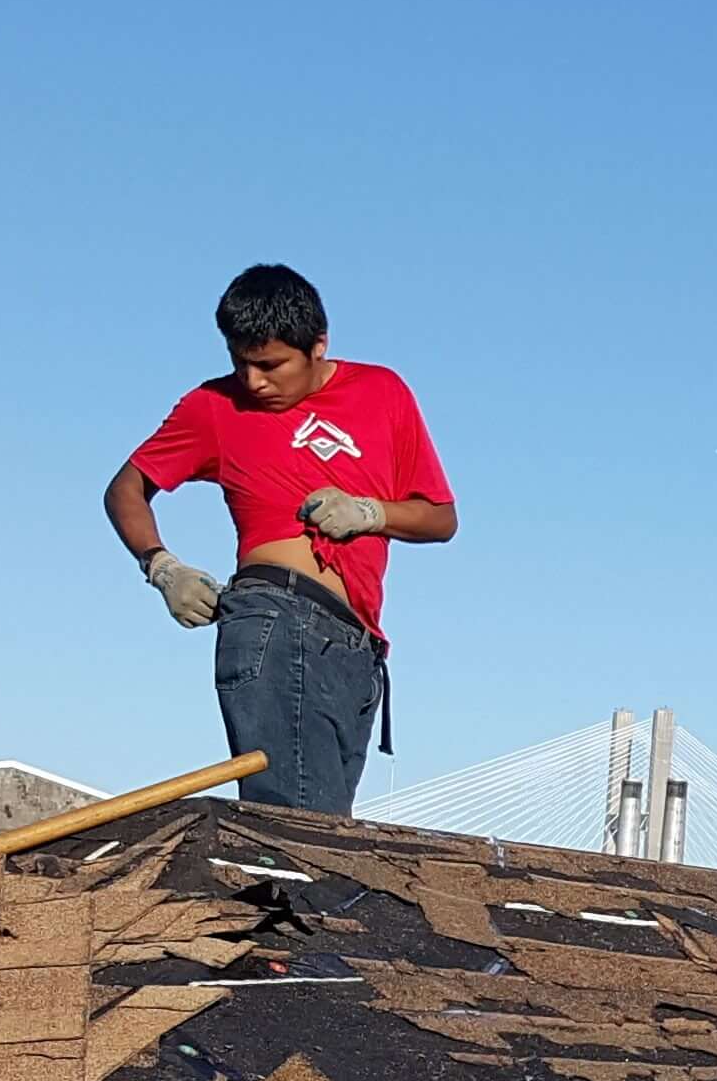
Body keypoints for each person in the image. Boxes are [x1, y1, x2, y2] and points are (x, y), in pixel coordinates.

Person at [100, 264, 458, 815]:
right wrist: (161, 566)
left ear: (318, 345)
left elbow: (440, 518)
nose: (254, 381)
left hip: (358, 654)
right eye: (240, 362)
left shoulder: (382, 392)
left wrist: (370, 513)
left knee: (324, 844)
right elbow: (126, 487)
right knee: (305, 841)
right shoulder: (214, 407)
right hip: (276, 617)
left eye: (270, 364)